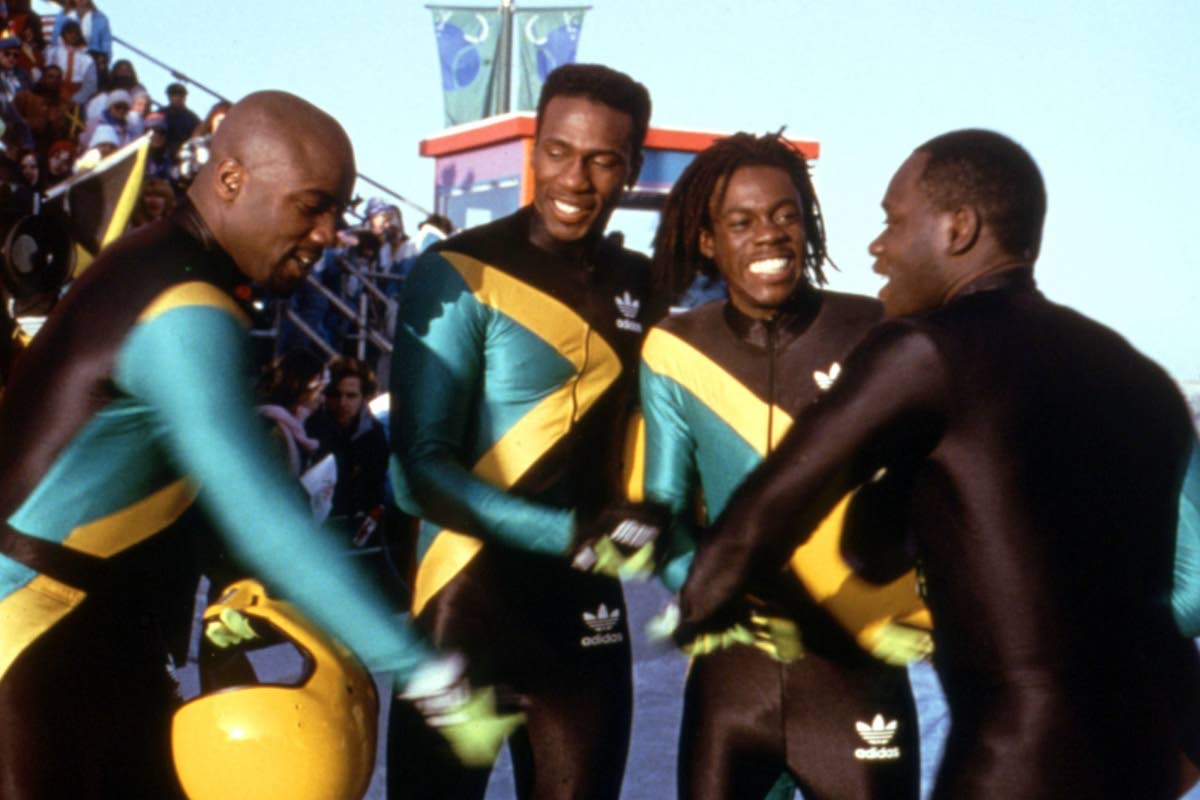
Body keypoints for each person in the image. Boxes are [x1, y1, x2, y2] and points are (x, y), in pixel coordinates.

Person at [0, 89, 514, 797]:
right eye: (312, 206)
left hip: (95, 637)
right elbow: (259, 511)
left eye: (339, 211)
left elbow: (175, 485)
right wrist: (422, 669)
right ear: (231, 179)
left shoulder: (171, 269)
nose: (330, 233)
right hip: (33, 638)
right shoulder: (183, 304)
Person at [675, 129, 1200, 799]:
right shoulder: (1141, 378)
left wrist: (703, 602)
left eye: (893, 222)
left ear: (959, 229)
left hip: (1019, 757)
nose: (877, 246)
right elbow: (1193, 576)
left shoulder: (924, 352)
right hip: (1155, 748)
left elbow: (763, 516)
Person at [387, 62, 662, 799]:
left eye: (602, 159)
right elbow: (416, 472)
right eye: (558, 151)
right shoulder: (458, 270)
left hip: (586, 625)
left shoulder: (643, 284)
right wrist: (569, 533)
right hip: (463, 611)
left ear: (632, 169)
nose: (575, 178)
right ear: (534, 149)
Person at [642, 132, 923, 800]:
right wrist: (717, 595)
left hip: (858, 681)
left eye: (785, 215)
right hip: (730, 691)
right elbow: (665, 516)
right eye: (741, 222)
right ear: (708, 242)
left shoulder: (878, 331)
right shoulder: (676, 348)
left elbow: (933, 493)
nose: (768, 234)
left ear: (808, 224)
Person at [305, 356, 389, 526]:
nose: (342, 403)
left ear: (364, 397)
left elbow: (375, 488)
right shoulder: (312, 426)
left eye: (351, 396)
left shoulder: (374, 433)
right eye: (335, 395)